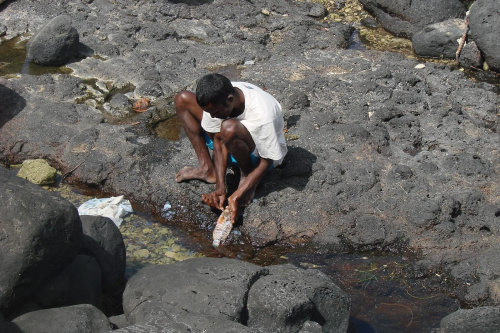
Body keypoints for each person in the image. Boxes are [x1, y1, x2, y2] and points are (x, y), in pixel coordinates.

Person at [175, 73, 287, 224]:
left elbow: (267, 161)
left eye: (215, 112)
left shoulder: (262, 113)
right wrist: (220, 187)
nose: (212, 116)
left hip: (260, 155)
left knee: (228, 127)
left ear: (229, 100)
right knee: (183, 99)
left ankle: (247, 176)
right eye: (209, 113)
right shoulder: (216, 99)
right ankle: (207, 168)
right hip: (230, 141)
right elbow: (218, 139)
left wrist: (237, 194)